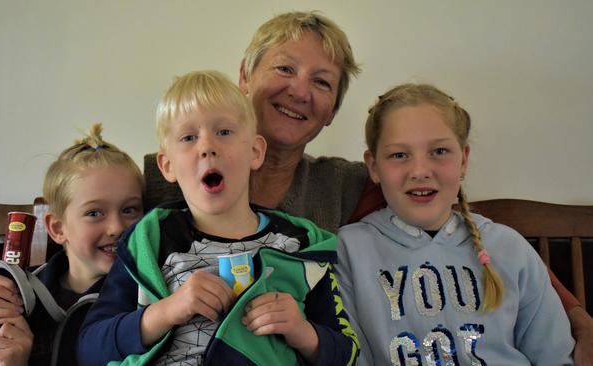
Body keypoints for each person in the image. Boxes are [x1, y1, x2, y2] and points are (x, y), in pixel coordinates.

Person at [141, 10, 592, 365]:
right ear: (245, 75)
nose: (300, 91)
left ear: (332, 111)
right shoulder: (174, 174)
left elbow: (473, 239)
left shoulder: (348, 183)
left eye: (322, 82)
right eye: (285, 68)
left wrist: (576, 315)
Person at [77, 71, 358, 366]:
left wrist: (303, 332)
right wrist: (168, 311)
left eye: (224, 132)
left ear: (255, 151)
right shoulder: (150, 239)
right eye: (188, 137)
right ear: (167, 165)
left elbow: (348, 355)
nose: (207, 147)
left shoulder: (302, 245)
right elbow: (89, 349)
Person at [335, 83, 575, 365]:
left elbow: (555, 356)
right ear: (374, 167)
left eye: (439, 151)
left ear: (464, 160)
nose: (420, 171)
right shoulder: (348, 251)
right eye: (399, 155)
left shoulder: (508, 247)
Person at [0, 124, 144, 366]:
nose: (117, 227)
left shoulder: (145, 293)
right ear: (58, 228)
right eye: (94, 213)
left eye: (130, 209)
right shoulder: (21, 294)